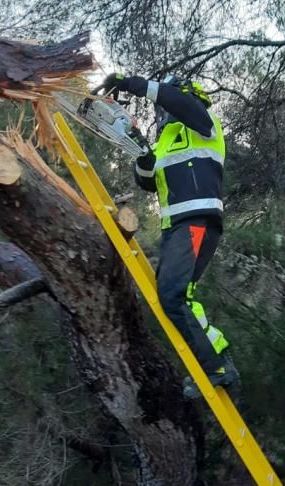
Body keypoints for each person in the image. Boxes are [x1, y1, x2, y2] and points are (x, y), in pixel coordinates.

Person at [99, 73, 236, 399]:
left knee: (172, 294)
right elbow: (146, 180)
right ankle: (220, 358)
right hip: (175, 228)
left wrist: (136, 84)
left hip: (197, 220)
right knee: (179, 297)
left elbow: (180, 103)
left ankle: (214, 367)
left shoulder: (203, 123)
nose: (161, 113)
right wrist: (140, 149)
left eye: (164, 104)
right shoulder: (163, 141)